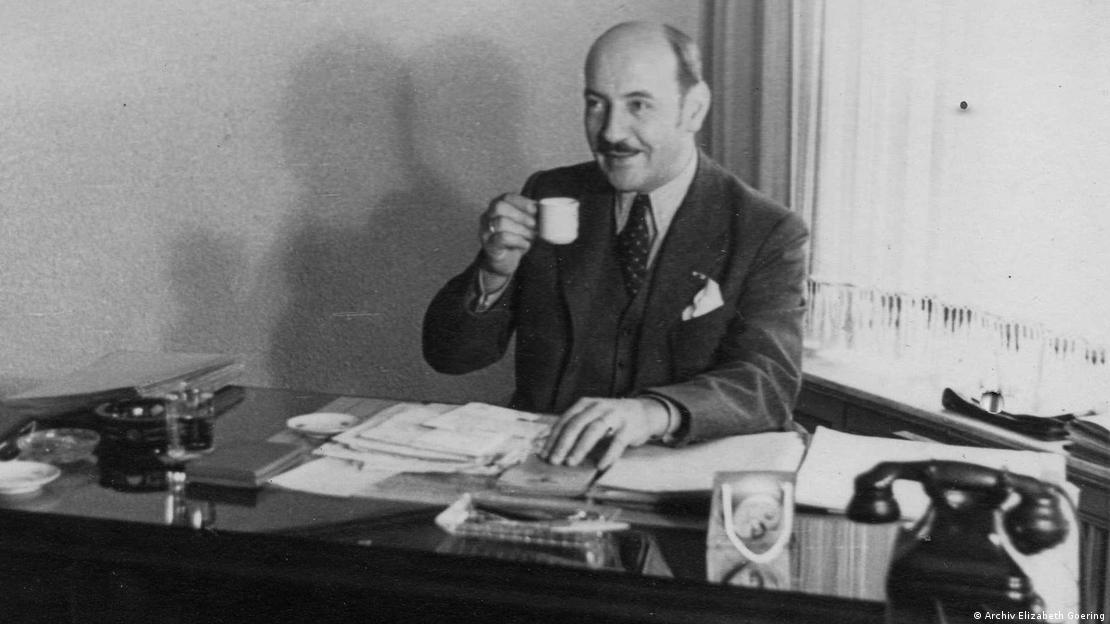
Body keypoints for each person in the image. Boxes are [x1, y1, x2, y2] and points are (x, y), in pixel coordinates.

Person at [423, 21, 808, 470]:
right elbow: (450, 357)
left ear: (694, 109)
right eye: (595, 104)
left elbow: (767, 383)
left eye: (638, 105)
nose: (610, 131)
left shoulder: (767, 230)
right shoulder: (550, 194)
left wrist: (653, 412)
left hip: (675, 477)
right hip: (548, 472)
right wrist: (494, 272)